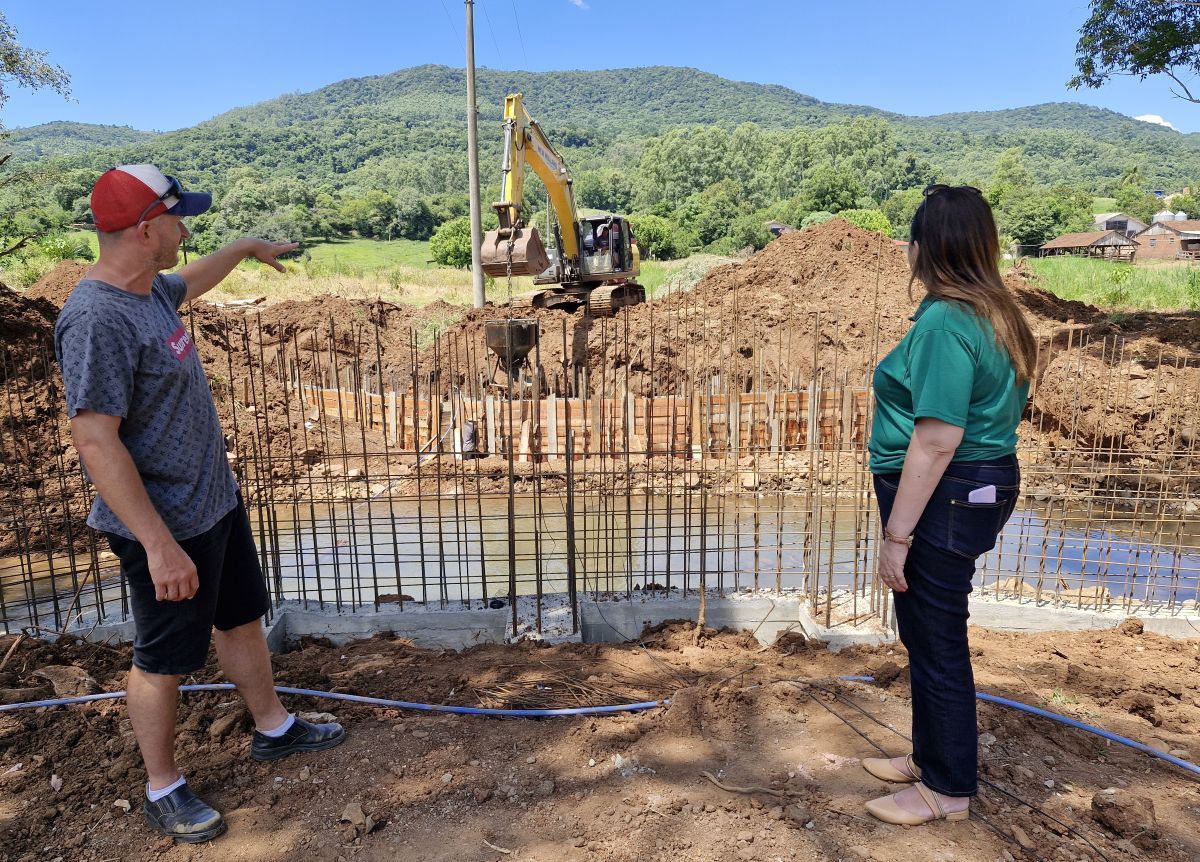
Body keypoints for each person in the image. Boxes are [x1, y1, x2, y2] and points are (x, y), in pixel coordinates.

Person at [54, 165, 347, 844]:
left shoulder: (150, 291)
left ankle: (273, 727)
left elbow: (192, 280)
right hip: (166, 525)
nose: (187, 231)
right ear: (145, 227)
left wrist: (245, 248)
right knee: (163, 658)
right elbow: (95, 440)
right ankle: (164, 787)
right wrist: (158, 544)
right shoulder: (95, 318)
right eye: (179, 219)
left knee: (241, 617)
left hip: (212, 501)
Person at [862, 184, 1036, 826]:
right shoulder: (995, 312)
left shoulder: (944, 321)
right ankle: (929, 757)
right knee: (928, 629)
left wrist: (897, 537)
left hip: (947, 491)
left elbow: (936, 439)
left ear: (927, 247)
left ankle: (947, 788)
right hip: (982, 484)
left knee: (935, 637)